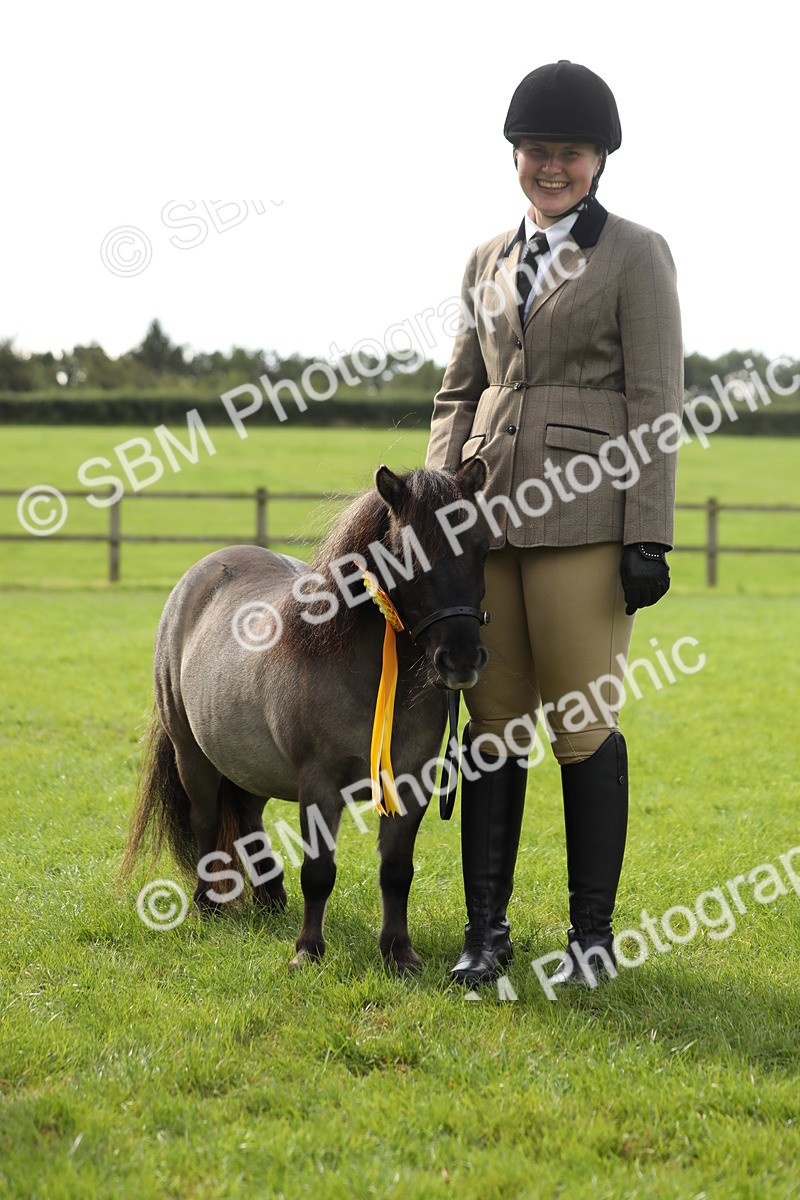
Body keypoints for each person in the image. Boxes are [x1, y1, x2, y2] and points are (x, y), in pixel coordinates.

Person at [424, 60, 683, 987]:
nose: (551, 166)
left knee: (580, 725)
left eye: (569, 152)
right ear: (516, 155)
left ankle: (590, 939)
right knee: (491, 725)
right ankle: (485, 933)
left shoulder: (636, 255)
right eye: (536, 149)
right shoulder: (486, 260)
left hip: (585, 517)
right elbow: (459, 392)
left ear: (599, 159)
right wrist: (435, 507)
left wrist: (648, 532)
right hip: (488, 521)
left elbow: (656, 401)